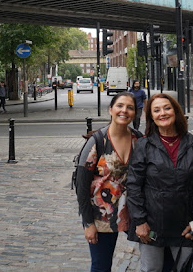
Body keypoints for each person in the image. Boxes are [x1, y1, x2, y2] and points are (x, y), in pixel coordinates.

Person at [127, 93, 193, 272]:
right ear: (151, 117)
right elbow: (133, 185)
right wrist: (139, 221)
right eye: (156, 110)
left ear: (175, 111)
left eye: (167, 108)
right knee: (152, 269)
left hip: (183, 224)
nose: (162, 113)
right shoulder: (144, 145)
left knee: (187, 268)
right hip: (151, 224)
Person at [76, 92, 143, 272]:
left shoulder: (139, 139)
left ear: (135, 113)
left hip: (133, 212)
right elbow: (81, 187)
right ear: (111, 110)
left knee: (152, 261)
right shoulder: (97, 141)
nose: (124, 110)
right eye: (120, 106)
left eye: (130, 107)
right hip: (102, 215)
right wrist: (88, 224)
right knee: (101, 266)